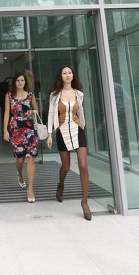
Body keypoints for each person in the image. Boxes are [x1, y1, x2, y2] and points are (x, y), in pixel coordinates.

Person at [46, 65, 91, 221]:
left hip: (77, 129)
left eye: (69, 72)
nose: (67, 75)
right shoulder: (55, 95)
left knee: (83, 165)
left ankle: (84, 202)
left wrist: (83, 126)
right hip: (62, 130)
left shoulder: (79, 94)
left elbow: (80, 112)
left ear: (73, 75)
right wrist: (49, 134)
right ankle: (61, 185)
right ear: (61, 76)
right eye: (64, 73)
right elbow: (51, 114)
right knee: (66, 166)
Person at [3, 72, 39, 202]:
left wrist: (32, 111)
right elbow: (7, 112)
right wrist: (5, 129)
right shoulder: (9, 95)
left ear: (25, 82)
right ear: (14, 82)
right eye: (18, 80)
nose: (20, 83)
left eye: (22, 80)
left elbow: (36, 110)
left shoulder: (30, 95)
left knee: (30, 158)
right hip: (16, 129)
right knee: (20, 160)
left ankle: (30, 189)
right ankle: (19, 173)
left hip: (29, 129)